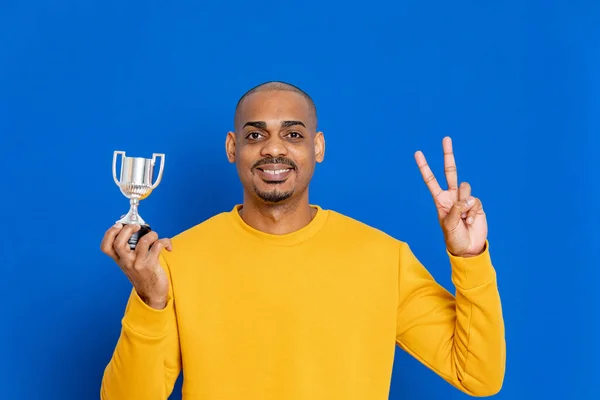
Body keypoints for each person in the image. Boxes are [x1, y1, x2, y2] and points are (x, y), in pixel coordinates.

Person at [99, 81, 506, 400]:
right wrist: (150, 301)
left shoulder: (383, 259)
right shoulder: (177, 260)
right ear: (231, 147)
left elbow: (478, 375)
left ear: (318, 147)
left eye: (293, 135)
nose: (273, 149)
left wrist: (468, 257)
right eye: (255, 136)